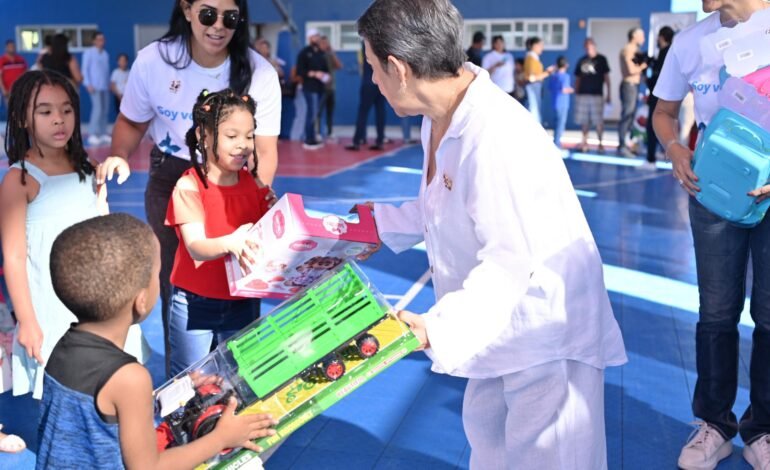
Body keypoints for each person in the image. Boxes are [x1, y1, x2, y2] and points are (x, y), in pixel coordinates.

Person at [356, 1, 627, 468]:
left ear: (397, 68)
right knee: (492, 452)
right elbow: (441, 207)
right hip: (489, 321)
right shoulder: (439, 116)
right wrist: (371, 224)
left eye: (372, 69)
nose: (373, 82)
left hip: (543, 330)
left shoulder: (495, 135)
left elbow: (509, 261)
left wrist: (433, 328)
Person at [97, 0, 281, 377]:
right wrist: (119, 154)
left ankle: (237, 385)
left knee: (238, 273)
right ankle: (187, 385)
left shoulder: (258, 72)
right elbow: (131, 122)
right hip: (173, 174)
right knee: (176, 282)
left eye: (230, 17)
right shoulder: (154, 61)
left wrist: (257, 200)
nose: (218, 26)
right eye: (207, 14)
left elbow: (263, 150)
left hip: (234, 178)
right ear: (186, 10)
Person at [36, 213, 277, 468]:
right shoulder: (130, 377)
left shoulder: (62, 348)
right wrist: (220, 438)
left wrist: (174, 392)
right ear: (141, 301)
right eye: (156, 275)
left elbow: (101, 414)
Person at [652, 1, 770, 468]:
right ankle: (716, 424)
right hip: (712, 194)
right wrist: (675, 146)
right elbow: (663, 112)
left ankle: (763, 428)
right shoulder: (688, 43)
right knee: (717, 312)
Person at [0, 70, 146, 400]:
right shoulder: (20, 180)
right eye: (45, 111)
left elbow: (104, 233)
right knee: (63, 392)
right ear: (23, 118)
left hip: (97, 300)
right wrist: (26, 320)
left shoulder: (87, 167)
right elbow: (13, 256)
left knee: (107, 384)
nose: (59, 120)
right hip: (51, 309)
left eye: (66, 110)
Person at [166, 89, 270, 375]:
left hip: (243, 299)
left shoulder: (254, 185)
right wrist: (231, 242)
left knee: (238, 378)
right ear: (205, 136)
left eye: (249, 136)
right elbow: (196, 245)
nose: (243, 145)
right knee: (190, 382)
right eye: (232, 136)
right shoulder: (189, 186)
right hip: (195, 302)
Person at [640, 26, 674, 170]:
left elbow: (659, 76)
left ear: (661, 37)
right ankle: (662, 153)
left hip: (659, 96)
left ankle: (651, 159)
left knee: (653, 126)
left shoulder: (666, 53)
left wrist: (645, 78)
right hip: (666, 96)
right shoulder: (668, 53)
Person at [346, 41, 386, 151]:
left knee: (363, 112)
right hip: (381, 82)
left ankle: (357, 140)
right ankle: (380, 140)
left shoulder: (366, 44)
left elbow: (361, 63)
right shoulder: (382, 43)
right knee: (380, 110)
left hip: (369, 82)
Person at [573, 38, 611, 153]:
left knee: (598, 120)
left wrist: (609, 94)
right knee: (584, 121)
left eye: (589, 47)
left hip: (596, 95)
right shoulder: (582, 60)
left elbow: (606, 78)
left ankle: (600, 144)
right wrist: (576, 91)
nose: (587, 49)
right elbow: (578, 78)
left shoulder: (601, 60)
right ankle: (585, 142)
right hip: (583, 94)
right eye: (585, 47)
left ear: (594, 46)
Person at [295, 28, 329, 149]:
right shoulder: (304, 53)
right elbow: (300, 71)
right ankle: (309, 139)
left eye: (318, 36)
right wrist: (314, 74)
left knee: (316, 113)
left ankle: (313, 136)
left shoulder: (320, 53)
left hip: (320, 87)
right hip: (310, 88)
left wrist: (325, 76)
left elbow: (325, 69)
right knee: (312, 112)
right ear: (310, 38)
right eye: (315, 36)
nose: (317, 38)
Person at [618, 27, 648, 157]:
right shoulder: (629, 49)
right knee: (627, 115)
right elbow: (630, 70)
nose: (644, 38)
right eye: (642, 35)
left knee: (631, 116)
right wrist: (644, 65)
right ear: (634, 35)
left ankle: (628, 144)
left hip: (633, 86)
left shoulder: (635, 50)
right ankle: (622, 146)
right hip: (629, 85)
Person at [82, 31, 111, 146]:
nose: (101, 41)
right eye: (98, 39)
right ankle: (92, 134)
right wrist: (87, 83)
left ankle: (103, 133)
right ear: (94, 41)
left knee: (104, 110)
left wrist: (108, 83)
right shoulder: (88, 53)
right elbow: (85, 69)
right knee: (97, 109)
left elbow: (106, 70)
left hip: (104, 86)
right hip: (94, 86)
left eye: (102, 39)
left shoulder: (105, 54)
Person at [523, 36, 555, 124]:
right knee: (533, 111)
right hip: (533, 88)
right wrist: (547, 73)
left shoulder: (534, 58)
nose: (542, 48)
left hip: (535, 87)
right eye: (540, 45)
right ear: (534, 46)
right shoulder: (531, 58)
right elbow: (531, 78)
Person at [319, 35, 343, 141]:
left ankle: (330, 132)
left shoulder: (330, 55)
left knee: (330, 111)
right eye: (323, 43)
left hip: (331, 88)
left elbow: (339, 66)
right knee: (318, 112)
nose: (325, 45)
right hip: (320, 88)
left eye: (326, 43)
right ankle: (318, 133)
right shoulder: (318, 55)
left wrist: (332, 53)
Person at [548, 55, 574, 149]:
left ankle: (555, 141)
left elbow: (550, 88)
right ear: (566, 65)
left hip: (555, 102)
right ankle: (557, 143)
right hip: (563, 103)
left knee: (556, 123)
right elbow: (564, 90)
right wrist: (572, 90)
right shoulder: (565, 76)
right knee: (561, 123)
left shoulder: (553, 76)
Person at [0, 40, 28, 108]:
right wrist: (3, 90)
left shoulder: (21, 59)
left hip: (21, 89)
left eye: (13, 46)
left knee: (21, 109)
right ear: (6, 48)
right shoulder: (2, 60)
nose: (12, 48)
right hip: (8, 90)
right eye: (10, 47)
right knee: (11, 109)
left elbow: (26, 73)